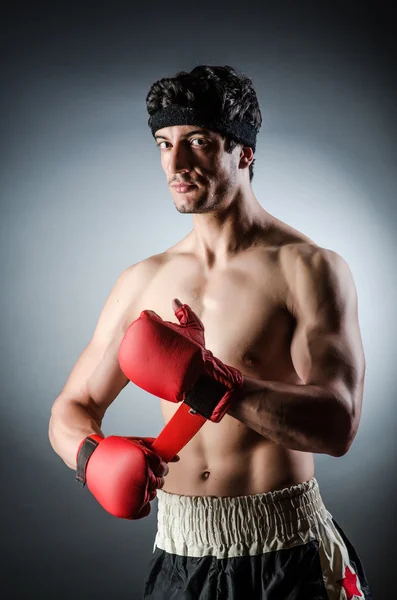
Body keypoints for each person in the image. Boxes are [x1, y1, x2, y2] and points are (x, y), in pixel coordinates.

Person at [49, 65, 372, 598]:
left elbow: (338, 424)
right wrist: (89, 455)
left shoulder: (309, 269)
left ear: (243, 153)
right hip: (180, 554)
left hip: (285, 552)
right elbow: (71, 407)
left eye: (196, 142)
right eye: (163, 143)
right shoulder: (143, 280)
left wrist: (214, 385)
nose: (175, 163)